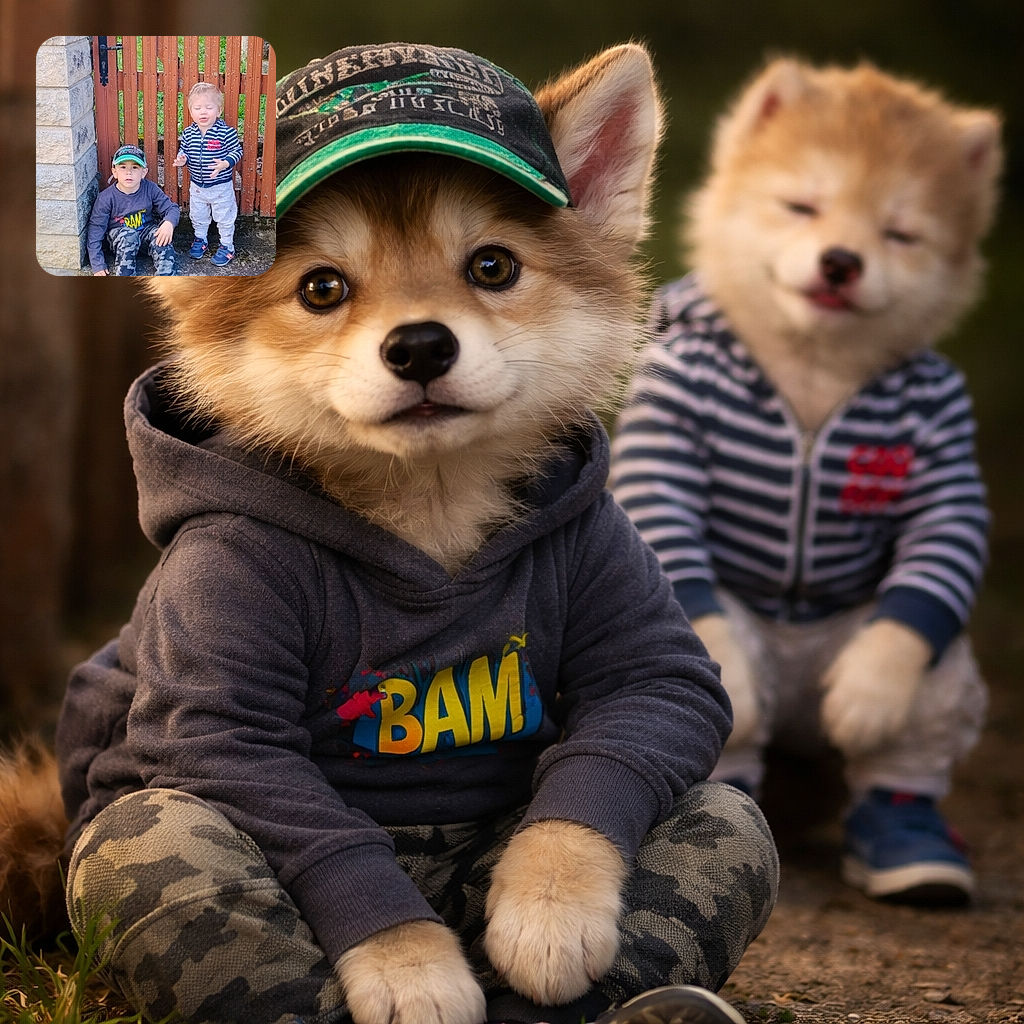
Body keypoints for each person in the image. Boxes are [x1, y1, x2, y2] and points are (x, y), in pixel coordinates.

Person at [172, 82, 243, 267]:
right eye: (198, 108)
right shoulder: (188, 133)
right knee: (198, 215)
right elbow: (184, 151)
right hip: (197, 187)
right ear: (191, 112)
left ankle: (227, 246)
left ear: (218, 111)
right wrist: (182, 159)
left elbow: (237, 151)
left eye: (208, 107)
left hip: (220, 187)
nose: (203, 112)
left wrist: (225, 163)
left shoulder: (226, 133)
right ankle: (200, 239)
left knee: (224, 217)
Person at [86, 144, 178, 276]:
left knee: (163, 238)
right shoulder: (106, 198)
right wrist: (97, 264)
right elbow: (95, 230)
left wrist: (169, 223)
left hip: (145, 233)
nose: (129, 172)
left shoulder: (150, 189)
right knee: (129, 236)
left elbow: (172, 208)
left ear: (143, 172)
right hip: (121, 238)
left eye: (135, 167)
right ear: (115, 172)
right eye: (123, 167)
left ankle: (166, 280)